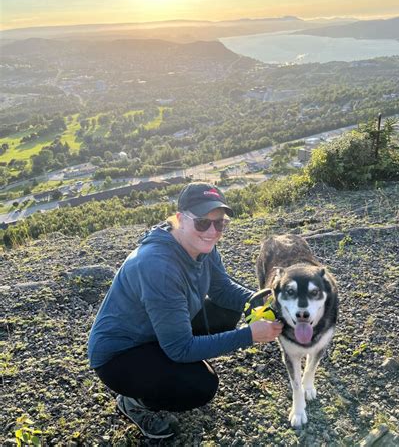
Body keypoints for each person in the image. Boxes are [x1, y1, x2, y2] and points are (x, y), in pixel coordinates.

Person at [87, 182, 283, 439]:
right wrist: (250, 335)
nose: (212, 231)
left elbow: (222, 289)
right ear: (180, 219)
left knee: (226, 310)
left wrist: (266, 303)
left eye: (220, 223)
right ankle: (133, 401)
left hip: (157, 334)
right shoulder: (159, 267)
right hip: (121, 356)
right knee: (202, 386)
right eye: (203, 222)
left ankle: (168, 372)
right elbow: (179, 349)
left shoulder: (203, 246)